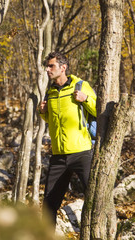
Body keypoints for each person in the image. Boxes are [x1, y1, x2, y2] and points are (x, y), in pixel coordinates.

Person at [38, 51, 97, 225]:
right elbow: (52, 121)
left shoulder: (80, 85)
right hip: (58, 156)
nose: (48, 70)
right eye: (47, 66)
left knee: (94, 200)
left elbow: (98, 110)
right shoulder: (51, 92)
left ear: (63, 68)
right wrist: (43, 113)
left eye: (51, 66)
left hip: (82, 152)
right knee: (49, 205)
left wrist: (85, 99)